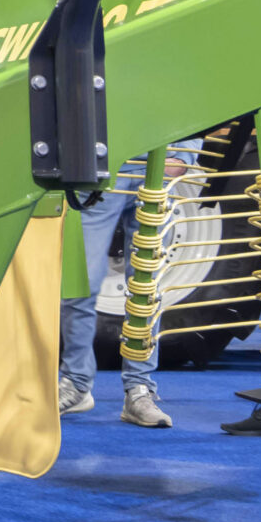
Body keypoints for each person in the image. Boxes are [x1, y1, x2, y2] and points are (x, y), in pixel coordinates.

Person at [59, 139, 198, 429]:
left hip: (155, 167)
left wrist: (184, 155)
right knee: (80, 282)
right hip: (101, 169)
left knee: (146, 288)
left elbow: (199, 95)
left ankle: (140, 390)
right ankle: (76, 384)